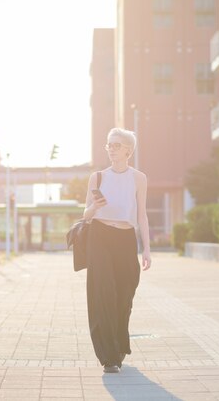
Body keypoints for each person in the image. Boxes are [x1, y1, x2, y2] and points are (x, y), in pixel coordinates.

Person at [82, 127, 152, 374]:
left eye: (116, 145)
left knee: (124, 294)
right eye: (108, 144)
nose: (110, 148)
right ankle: (109, 357)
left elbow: (141, 215)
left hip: (125, 239)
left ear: (128, 151)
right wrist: (94, 207)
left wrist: (146, 249)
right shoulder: (97, 177)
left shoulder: (139, 178)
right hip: (100, 236)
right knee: (103, 293)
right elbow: (86, 214)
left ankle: (119, 344)